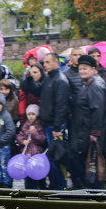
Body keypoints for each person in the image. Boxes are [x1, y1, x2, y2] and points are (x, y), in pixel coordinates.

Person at [69, 54, 106, 189]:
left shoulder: (95, 85)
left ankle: (94, 189)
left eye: (85, 68)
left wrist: (95, 132)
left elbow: (97, 110)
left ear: (93, 69)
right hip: (83, 129)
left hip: (90, 131)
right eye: (80, 69)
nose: (82, 71)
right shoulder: (87, 83)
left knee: (93, 161)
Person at [37, 51, 71, 190]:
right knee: (51, 157)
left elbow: (61, 106)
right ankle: (54, 182)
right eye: (44, 62)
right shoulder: (48, 78)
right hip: (47, 123)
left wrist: (57, 128)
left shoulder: (60, 80)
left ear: (56, 62)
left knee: (55, 157)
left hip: (54, 126)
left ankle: (59, 185)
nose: (45, 65)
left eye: (48, 62)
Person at [14, 104, 48, 190]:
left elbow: (42, 139)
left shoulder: (39, 126)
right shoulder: (26, 125)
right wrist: (22, 141)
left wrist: (34, 132)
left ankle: (41, 186)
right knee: (28, 174)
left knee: (37, 174)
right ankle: (28, 188)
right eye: (29, 114)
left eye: (33, 114)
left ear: (37, 115)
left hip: (36, 154)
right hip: (27, 155)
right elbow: (19, 136)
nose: (31, 116)